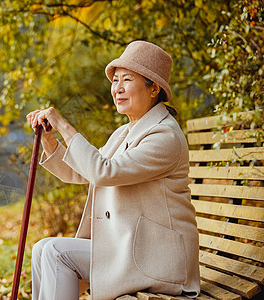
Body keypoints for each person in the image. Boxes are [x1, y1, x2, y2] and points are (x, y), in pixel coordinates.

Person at [26, 41, 200, 300]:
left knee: (55, 252)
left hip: (160, 260)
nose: (117, 88)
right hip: (130, 249)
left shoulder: (164, 136)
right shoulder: (125, 132)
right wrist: (50, 139)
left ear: (154, 89)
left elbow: (103, 172)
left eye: (127, 80)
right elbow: (82, 172)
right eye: (115, 80)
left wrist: (63, 124)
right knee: (42, 249)